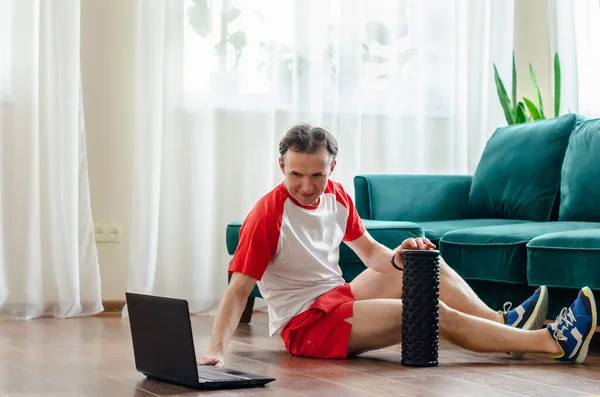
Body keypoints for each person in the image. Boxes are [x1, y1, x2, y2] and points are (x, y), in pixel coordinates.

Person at [198, 123, 597, 367]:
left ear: (331, 167)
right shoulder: (268, 215)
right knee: (425, 311)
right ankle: (553, 342)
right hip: (307, 326)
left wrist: (399, 257)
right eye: (297, 174)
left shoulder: (336, 195)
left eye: (316, 174)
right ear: (282, 165)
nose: (306, 186)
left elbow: (370, 253)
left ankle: (501, 323)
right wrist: (216, 349)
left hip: (336, 296)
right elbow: (238, 292)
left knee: (426, 265)